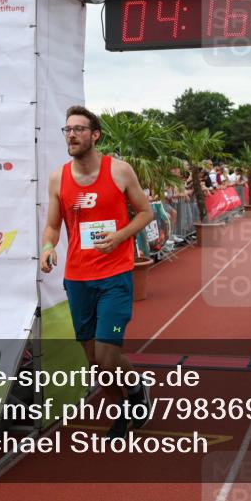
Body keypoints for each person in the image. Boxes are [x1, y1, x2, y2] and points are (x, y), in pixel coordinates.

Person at [39, 105, 154, 439]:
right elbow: (51, 226)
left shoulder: (119, 171)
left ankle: (135, 390)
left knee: (107, 355)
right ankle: (122, 407)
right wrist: (47, 248)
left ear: (95, 134)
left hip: (115, 276)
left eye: (78, 129)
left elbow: (145, 213)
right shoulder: (58, 178)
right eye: (67, 130)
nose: (71, 135)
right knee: (94, 362)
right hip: (77, 279)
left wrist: (119, 236)